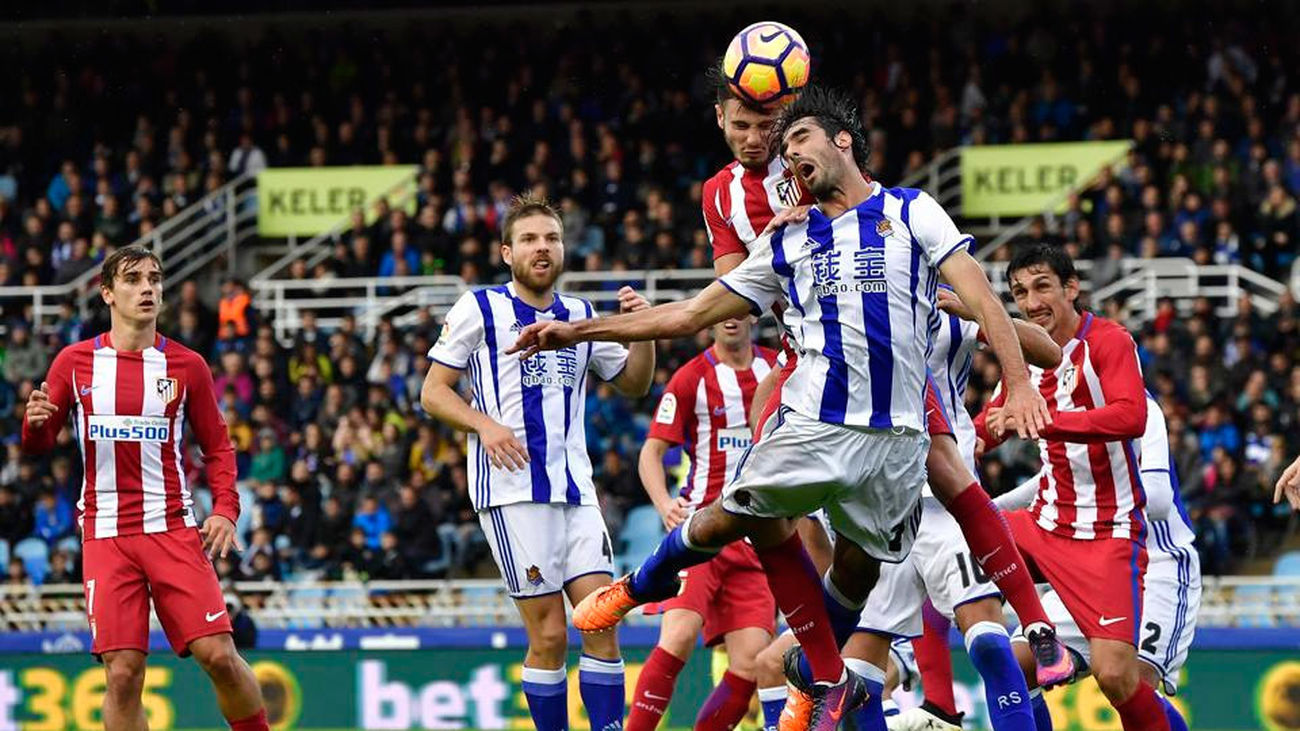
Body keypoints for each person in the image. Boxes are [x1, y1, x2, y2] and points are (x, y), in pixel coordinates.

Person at [511, 85, 1052, 731]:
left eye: (799, 140)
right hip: (816, 426)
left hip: (899, 445)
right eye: (781, 145)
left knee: (859, 568)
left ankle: (829, 678)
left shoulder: (913, 211)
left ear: (842, 141)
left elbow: (985, 299)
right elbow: (688, 312)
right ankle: (646, 583)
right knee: (725, 520)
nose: (786, 152)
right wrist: (579, 329)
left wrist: (1018, 384)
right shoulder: (788, 245)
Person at [701, 61, 1073, 720]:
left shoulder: (937, 288)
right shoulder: (831, 272)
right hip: (864, 478)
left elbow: (1043, 346)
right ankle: (822, 665)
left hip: (926, 476)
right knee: (858, 660)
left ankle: (1026, 638)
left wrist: (961, 303)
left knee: (983, 629)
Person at [420, 193, 654, 731]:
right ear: (507, 252)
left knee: (601, 623)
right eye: (529, 239)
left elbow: (635, 383)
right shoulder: (478, 308)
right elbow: (434, 392)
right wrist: (485, 424)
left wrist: (642, 332)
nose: (541, 247)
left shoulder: (580, 315)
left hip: (576, 491)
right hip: (511, 492)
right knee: (549, 635)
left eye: (550, 237)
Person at [21, 245, 268, 731]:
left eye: (154, 278)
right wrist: (33, 424)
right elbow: (39, 444)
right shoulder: (73, 362)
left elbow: (218, 448)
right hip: (106, 533)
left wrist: (224, 509)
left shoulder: (187, 365)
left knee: (218, 655)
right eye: (133, 279)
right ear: (108, 293)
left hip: (172, 528)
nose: (148, 288)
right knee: (123, 674)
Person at [973, 244, 1173, 730]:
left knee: (1117, 678)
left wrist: (1046, 421)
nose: (1031, 301)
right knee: (955, 555)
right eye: (1020, 291)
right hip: (1042, 524)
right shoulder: (1023, 357)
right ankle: (922, 688)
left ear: (1071, 288)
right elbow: (985, 430)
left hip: (1106, 534)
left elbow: (1131, 415)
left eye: (1043, 286)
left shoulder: (1109, 342)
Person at [996, 392, 1200, 731]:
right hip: (1089, 563)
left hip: (1156, 564)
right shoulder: (1065, 402)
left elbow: (1160, 498)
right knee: (1015, 666)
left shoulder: (1140, 406)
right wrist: (982, 510)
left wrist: (1090, 509)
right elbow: (1051, 482)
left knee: (1130, 682)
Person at [628, 316, 779, 731]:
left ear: (753, 313)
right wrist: (663, 504)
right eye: (720, 309)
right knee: (677, 638)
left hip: (758, 539)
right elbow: (650, 453)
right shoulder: (691, 377)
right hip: (700, 534)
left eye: (739, 307)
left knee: (750, 664)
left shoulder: (778, 369)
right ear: (710, 319)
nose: (730, 317)